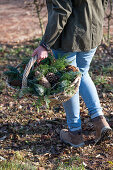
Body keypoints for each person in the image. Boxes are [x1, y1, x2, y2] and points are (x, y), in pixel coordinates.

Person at [32, 0, 112, 147]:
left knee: (69, 82)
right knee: (82, 74)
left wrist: (45, 44)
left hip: (67, 38)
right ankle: (100, 122)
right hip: (92, 33)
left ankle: (74, 133)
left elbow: (61, 10)